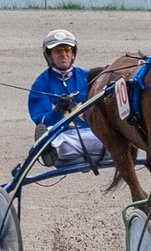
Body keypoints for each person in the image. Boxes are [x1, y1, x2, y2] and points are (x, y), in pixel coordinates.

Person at [28, 29, 106, 167]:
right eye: (58, 51)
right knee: (59, 145)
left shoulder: (88, 77)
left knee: (114, 140)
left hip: (93, 133)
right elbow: (42, 122)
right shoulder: (41, 84)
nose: (63, 54)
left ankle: (79, 156)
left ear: (73, 54)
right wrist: (58, 110)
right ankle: (49, 151)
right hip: (64, 137)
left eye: (67, 50)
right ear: (49, 55)